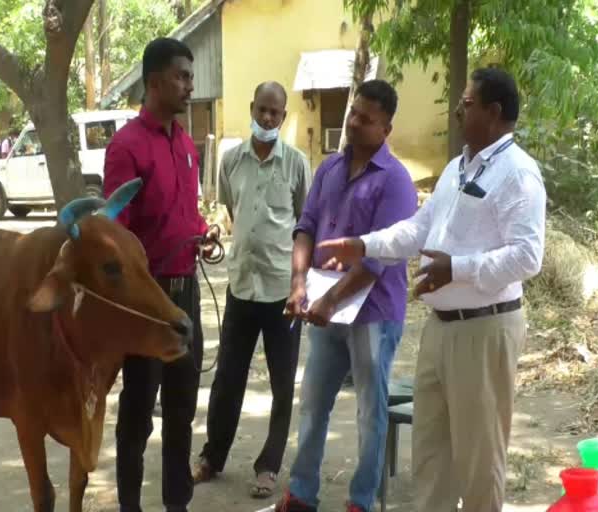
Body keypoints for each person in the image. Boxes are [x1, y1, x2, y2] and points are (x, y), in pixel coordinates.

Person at [316, 68, 546, 512]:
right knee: (431, 455)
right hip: (440, 330)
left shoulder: (519, 173)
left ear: (494, 112)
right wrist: (364, 244)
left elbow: (527, 257)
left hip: (485, 330)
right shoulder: (458, 168)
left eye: (468, 102)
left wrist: (457, 269)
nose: (459, 108)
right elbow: (417, 230)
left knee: (479, 461)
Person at [274, 79, 418, 512]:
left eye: (366, 119)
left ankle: (361, 501)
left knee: (369, 415)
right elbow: (306, 226)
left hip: (372, 313)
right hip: (324, 308)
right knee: (313, 404)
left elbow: (375, 262)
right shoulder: (328, 170)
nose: (353, 124)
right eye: (353, 113)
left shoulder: (395, 182)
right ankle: (301, 494)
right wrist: (299, 283)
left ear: (386, 129)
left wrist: (329, 301)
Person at [104, 37, 219, 512]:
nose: (190, 86)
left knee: (181, 410)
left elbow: (186, 215)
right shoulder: (126, 147)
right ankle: (130, 505)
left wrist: (201, 233)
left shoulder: (187, 146)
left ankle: (178, 504)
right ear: (154, 82)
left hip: (186, 292)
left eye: (190, 77)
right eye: (182, 77)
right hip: (146, 303)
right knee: (137, 414)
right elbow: (116, 237)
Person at [192, 81, 310, 499]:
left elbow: (303, 224)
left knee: (282, 384)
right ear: (251, 108)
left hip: (282, 293)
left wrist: (299, 282)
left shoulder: (296, 164)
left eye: (275, 113)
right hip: (241, 286)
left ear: (283, 116)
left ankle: (268, 466)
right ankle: (213, 456)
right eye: (261, 110)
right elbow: (230, 209)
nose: (267, 118)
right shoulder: (230, 161)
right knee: (227, 377)